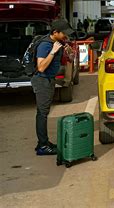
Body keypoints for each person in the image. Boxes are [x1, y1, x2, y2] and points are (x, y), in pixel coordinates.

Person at [32, 19, 74, 156]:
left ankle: (43, 142)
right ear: (55, 32)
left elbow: (71, 60)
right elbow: (41, 67)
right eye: (64, 34)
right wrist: (53, 52)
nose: (66, 36)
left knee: (44, 112)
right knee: (42, 113)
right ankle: (43, 146)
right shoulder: (45, 45)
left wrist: (69, 52)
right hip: (42, 81)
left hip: (49, 80)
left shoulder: (59, 42)